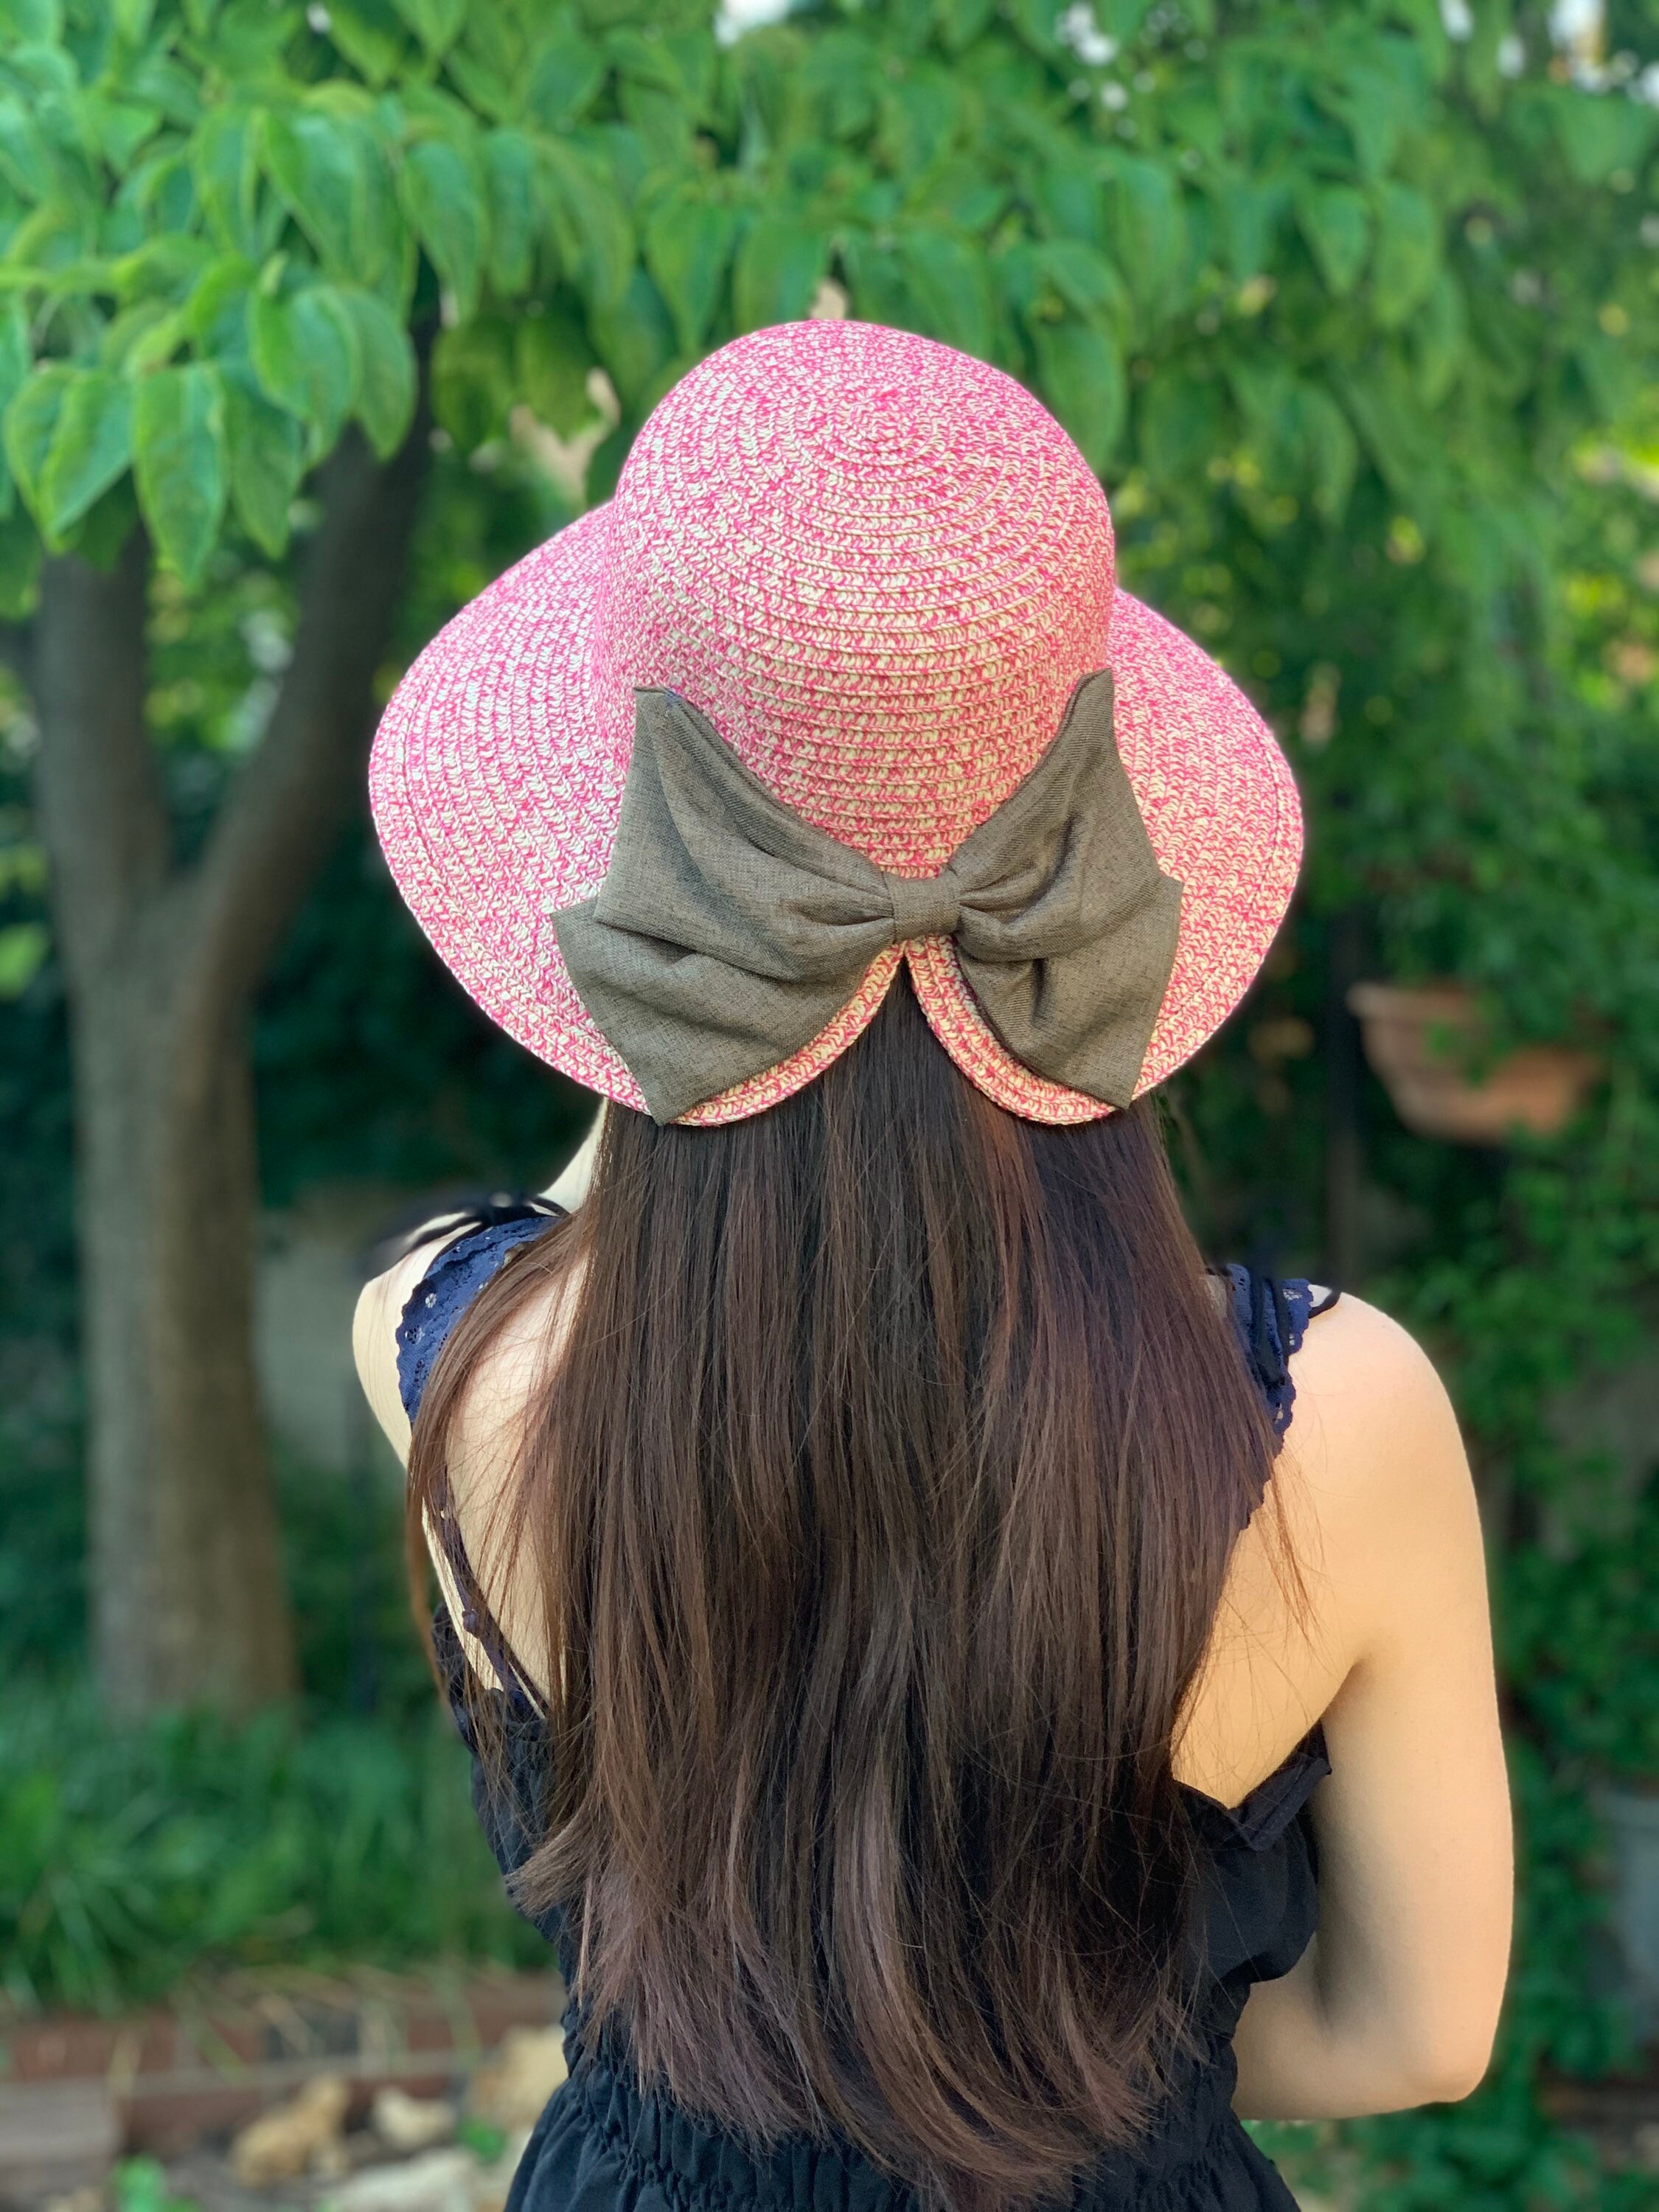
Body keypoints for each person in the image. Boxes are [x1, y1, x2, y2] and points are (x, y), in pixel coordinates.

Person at [354, 322, 1512, 2212]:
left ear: (647, 887)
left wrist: (711, 1020)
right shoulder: (1341, 1418)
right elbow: (1418, 2035)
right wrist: (1114, 2090)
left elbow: (583, 1202)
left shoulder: (444, 1346)